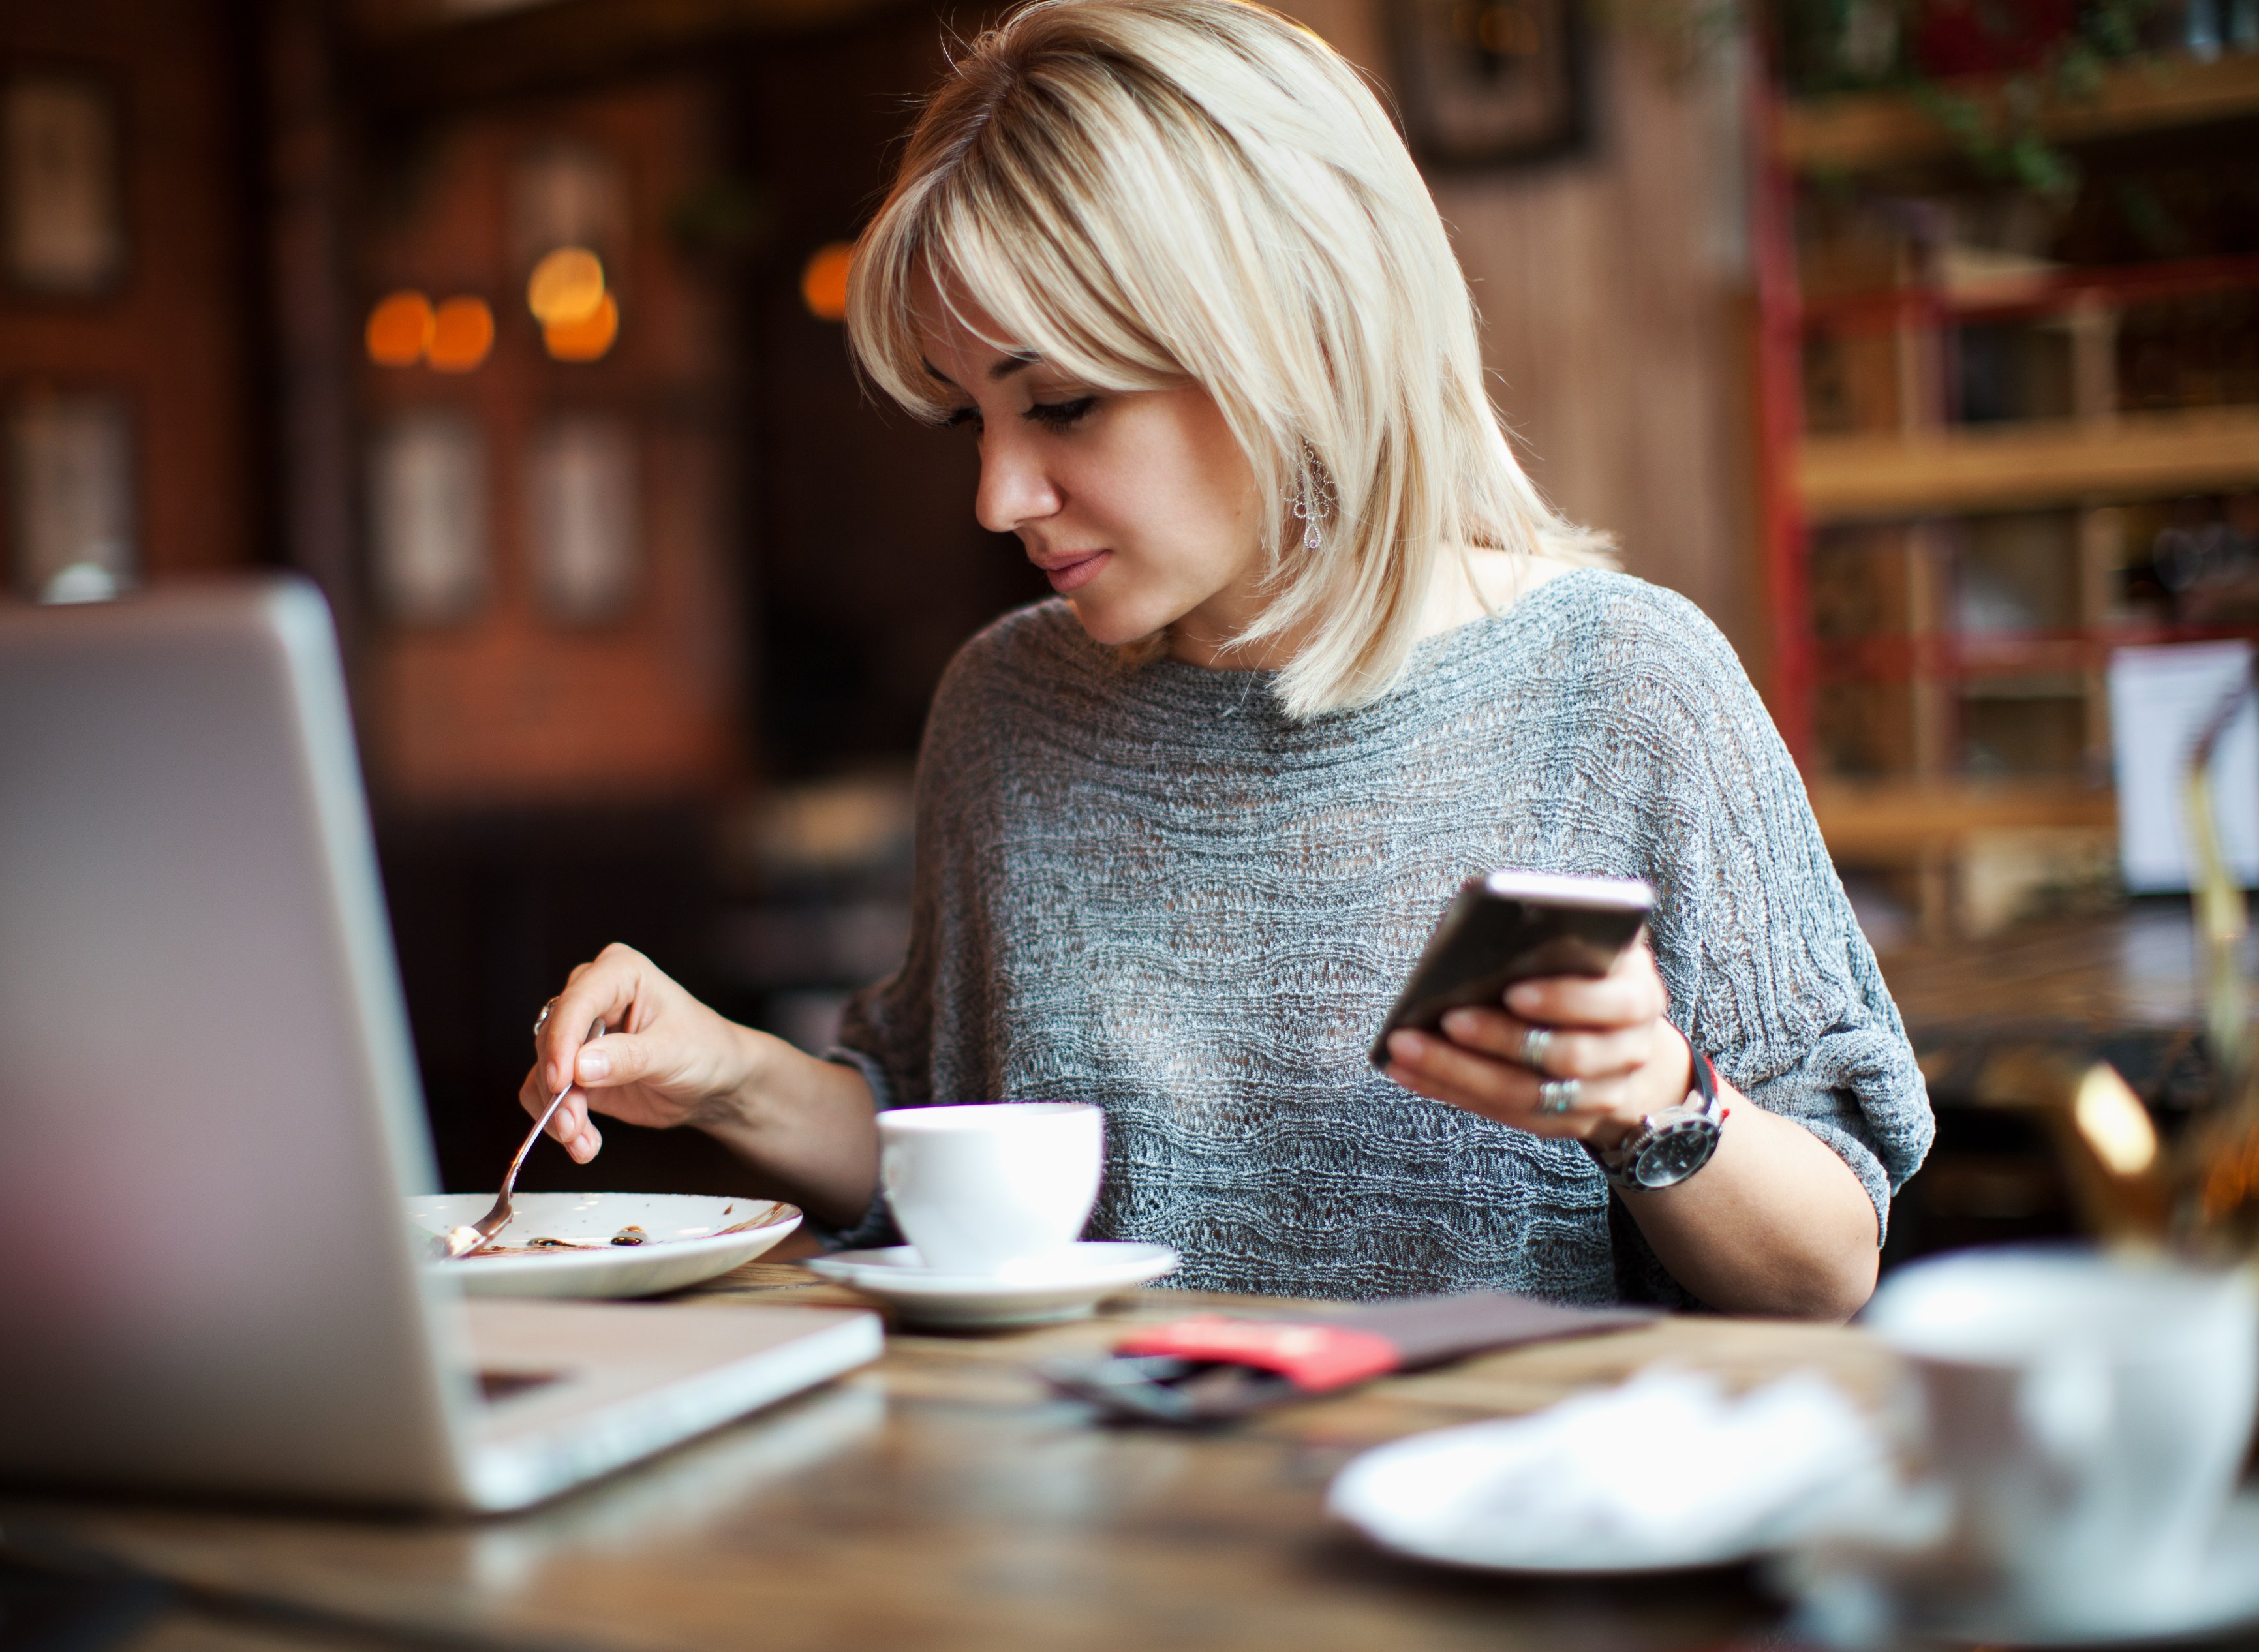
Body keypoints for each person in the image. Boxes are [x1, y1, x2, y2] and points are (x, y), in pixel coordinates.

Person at [518, 0, 1930, 1315]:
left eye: (1063, 404)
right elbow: (932, 1152)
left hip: (1466, 1527)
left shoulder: (1624, 685)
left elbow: (1826, 1267)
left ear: (1296, 343)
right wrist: (722, 1076)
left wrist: (1655, 1101)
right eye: (972, 421)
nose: (998, 497)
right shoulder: (1008, 707)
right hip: (1097, 1531)